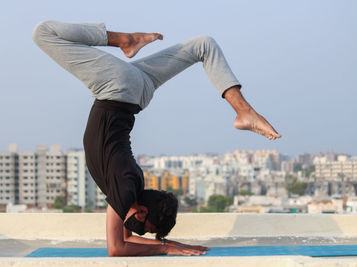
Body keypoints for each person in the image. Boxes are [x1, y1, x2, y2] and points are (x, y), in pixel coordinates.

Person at [32, 20, 281, 257]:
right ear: (141, 210)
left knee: (204, 44)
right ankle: (124, 40)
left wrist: (166, 243)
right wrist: (164, 248)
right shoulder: (124, 188)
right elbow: (117, 248)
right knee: (43, 32)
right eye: (147, 227)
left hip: (139, 89)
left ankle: (243, 111)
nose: (142, 232)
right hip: (117, 88)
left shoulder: (132, 185)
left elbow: (125, 241)